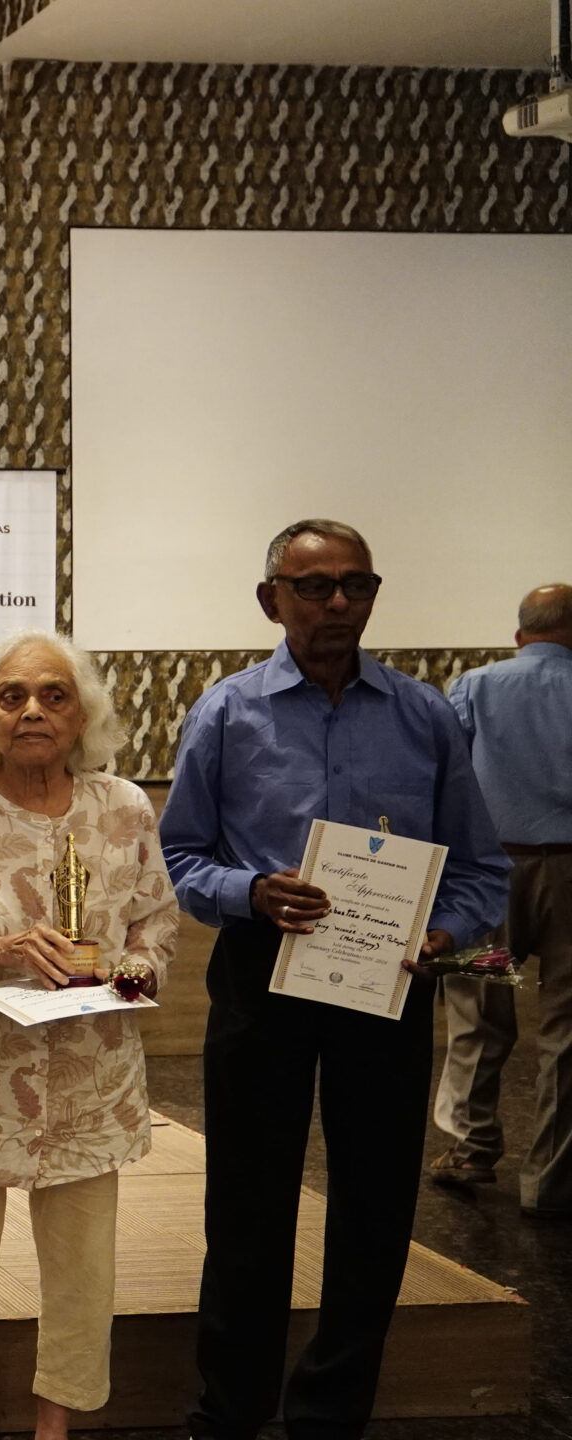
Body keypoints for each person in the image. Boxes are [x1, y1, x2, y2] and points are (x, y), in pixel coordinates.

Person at [160, 519, 509, 1440]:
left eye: (357, 584)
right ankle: (229, 1409)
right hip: (262, 970)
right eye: (315, 588)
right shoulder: (226, 712)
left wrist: (444, 933)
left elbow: (479, 867)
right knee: (247, 1199)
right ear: (272, 599)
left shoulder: (426, 714)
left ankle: (331, 1409)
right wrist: (249, 890)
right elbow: (183, 856)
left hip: (390, 981)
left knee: (378, 1198)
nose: (339, 604)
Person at [0, 631, 179, 1440]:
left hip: (91, 1082)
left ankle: (58, 1426)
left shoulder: (124, 808)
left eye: (53, 694)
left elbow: (157, 930)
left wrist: (113, 986)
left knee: (85, 1275)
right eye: (12, 696)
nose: (33, 711)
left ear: (83, 713)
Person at [430, 583, 572, 1208]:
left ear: (520, 636)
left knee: (480, 1012)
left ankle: (472, 1149)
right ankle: (551, 1182)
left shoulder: (476, 687)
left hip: (491, 884)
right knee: (568, 1029)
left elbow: (445, 778)